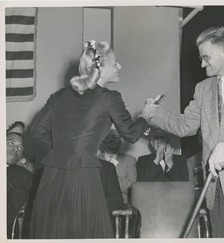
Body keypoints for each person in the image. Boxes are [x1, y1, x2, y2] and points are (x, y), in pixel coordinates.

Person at [143, 26, 224, 238]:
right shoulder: (203, 88)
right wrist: (153, 113)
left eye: (206, 57)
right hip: (212, 188)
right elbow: (185, 125)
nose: (202, 64)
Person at [29, 40, 150, 239]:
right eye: (115, 63)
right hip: (84, 175)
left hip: (51, 175)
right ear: (100, 67)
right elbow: (131, 134)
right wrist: (146, 117)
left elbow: (36, 132)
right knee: (85, 232)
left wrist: (61, 153)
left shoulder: (58, 96)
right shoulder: (109, 97)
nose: (119, 67)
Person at [7, 121, 32, 239]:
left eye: (20, 147)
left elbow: (8, 213)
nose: (16, 148)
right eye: (11, 142)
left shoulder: (22, 175)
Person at [98, 128, 137, 204]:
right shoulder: (95, 160)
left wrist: (110, 177)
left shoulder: (130, 160)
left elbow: (132, 188)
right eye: (108, 137)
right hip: (98, 204)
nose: (111, 139)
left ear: (120, 142)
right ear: (102, 142)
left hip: (122, 206)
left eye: (115, 137)